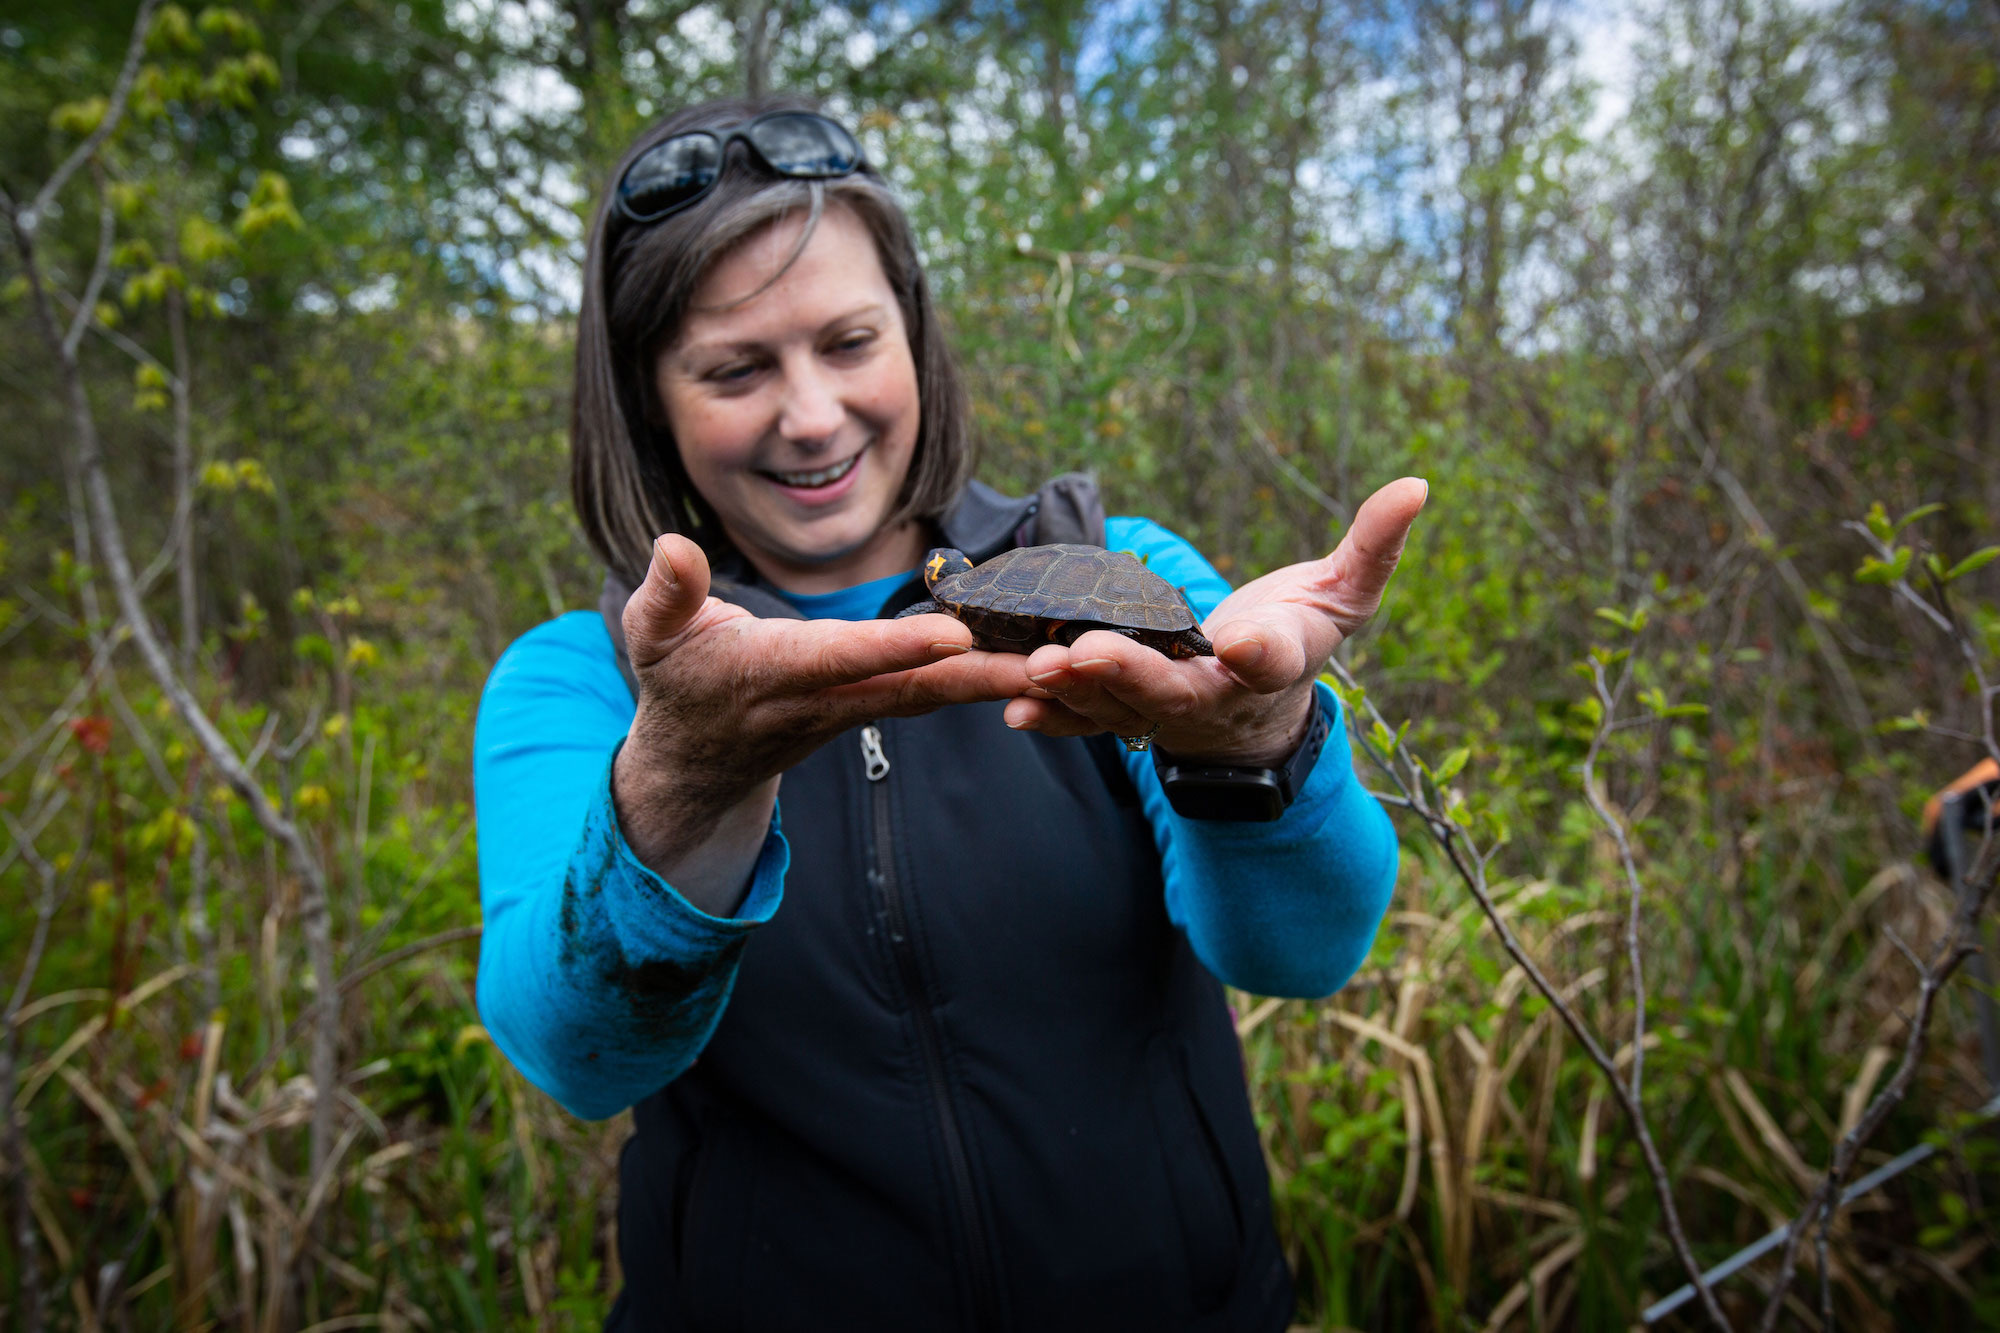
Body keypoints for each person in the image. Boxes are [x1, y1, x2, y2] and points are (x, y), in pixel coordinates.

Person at [473, 95, 1427, 1333]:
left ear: (915, 339)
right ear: (649, 397)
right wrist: (683, 782)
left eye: (850, 341)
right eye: (734, 368)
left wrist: (1249, 739)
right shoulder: (582, 681)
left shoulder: (1117, 560)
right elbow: (577, 1057)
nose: (810, 415)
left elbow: (1305, 956)